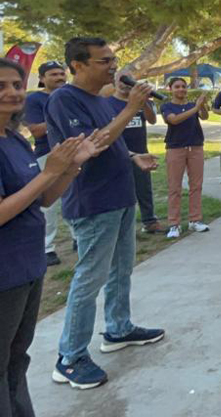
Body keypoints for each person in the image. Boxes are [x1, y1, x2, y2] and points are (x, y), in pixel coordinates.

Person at [45, 38, 164, 389]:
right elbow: (86, 147)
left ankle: (118, 329)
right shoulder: (63, 99)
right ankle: (70, 357)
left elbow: (108, 140)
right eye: (103, 61)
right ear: (77, 66)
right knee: (89, 279)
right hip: (93, 203)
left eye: (112, 60)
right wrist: (131, 109)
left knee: (121, 270)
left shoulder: (98, 100)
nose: (113, 66)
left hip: (121, 197)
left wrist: (131, 157)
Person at [0, 58, 102, 416]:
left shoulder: (13, 139)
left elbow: (42, 198)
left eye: (16, 84)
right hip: (5, 274)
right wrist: (50, 172)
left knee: (16, 360)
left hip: (28, 268)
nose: (13, 92)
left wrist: (73, 165)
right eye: (2, 86)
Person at [23, 60, 72, 265]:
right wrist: (61, 119)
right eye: (53, 74)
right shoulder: (34, 99)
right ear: (42, 79)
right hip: (48, 154)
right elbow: (36, 130)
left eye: (61, 74)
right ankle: (47, 248)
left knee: (74, 196)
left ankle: (77, 237)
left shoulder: (71, 95)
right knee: (47, 205)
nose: (59, 77)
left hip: (73, 152)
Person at [106, 73, 161, 235]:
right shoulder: (107, 103)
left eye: (128, 81)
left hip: (141, 151)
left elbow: (152, 120)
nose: (124, 85)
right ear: (114, 83)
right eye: (121, 81)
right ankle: (120, 224)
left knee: (144, 188)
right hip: (117, 153)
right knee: (118, 189)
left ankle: (149, 220)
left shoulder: (139, 101)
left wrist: (143, 103)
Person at [160, 78, 210, 239]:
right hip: (175, 148)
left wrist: (201, 105)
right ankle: (174, 224)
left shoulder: (191, 106)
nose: (181, 89)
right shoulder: (167, 106)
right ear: (170, 89)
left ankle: (195, 220)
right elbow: (173, 120)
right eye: (177, 87)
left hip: (195, 146)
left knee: (196, 185)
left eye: (183, 87)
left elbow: (204, 116)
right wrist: (196, 107)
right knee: (175, 187)